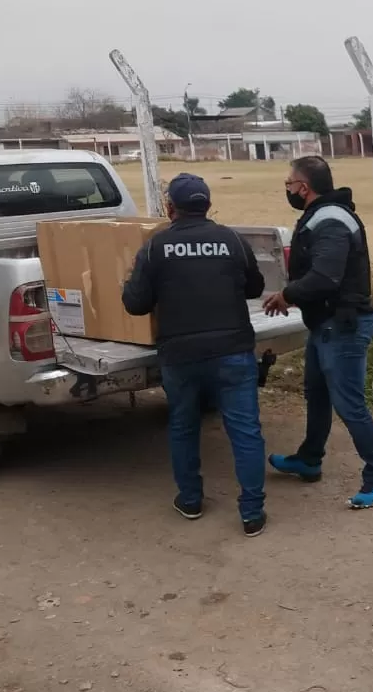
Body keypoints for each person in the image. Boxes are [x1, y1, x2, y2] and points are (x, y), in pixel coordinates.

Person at [121, 173, 269, 537]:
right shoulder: (232, 240)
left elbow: (135, 304)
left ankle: (190, 500)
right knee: (245, 431)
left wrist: (131, 279)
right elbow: (255, 287)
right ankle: (252, 512)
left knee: (184, 426)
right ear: (207, 205)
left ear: (170, 208)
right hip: (233, 352)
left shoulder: (156, 247)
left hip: (181, 355)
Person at [263, 156, 373, 510]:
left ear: (304, 187)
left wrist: (286, 296)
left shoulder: (332, 220)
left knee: (350, 405)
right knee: (317, 395)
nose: (287, 189)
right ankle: (309, 459)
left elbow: (325, 276)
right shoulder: (322, 215)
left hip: (343, 327)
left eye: (289, 184)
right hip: (326, 325)